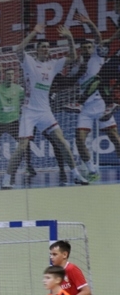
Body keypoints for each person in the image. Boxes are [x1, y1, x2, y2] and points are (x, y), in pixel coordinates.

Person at [2, 25, 88, 189]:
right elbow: (18, 50)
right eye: (43, 47)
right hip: (29, 111)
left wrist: (69, 37)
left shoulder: (54, 64)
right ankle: (7, 178)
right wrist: (34, 32)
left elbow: (73, 57)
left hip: (45, 111)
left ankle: (76, 174)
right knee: (22, 146)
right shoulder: (29, 62)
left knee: (62, 141)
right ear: (37, 50)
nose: (46, 49)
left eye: (48, 47)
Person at [63, 15, 120, 183]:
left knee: (115, 138)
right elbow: (69, 80)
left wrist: (88, 22)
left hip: (102, 104)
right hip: (86, 109)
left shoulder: (98, 56)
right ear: (81, 51)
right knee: (79, 140)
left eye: (89, 47)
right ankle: (92, 169)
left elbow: (98, 38)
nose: (88, 49)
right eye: (85, 48)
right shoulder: (77, 66)